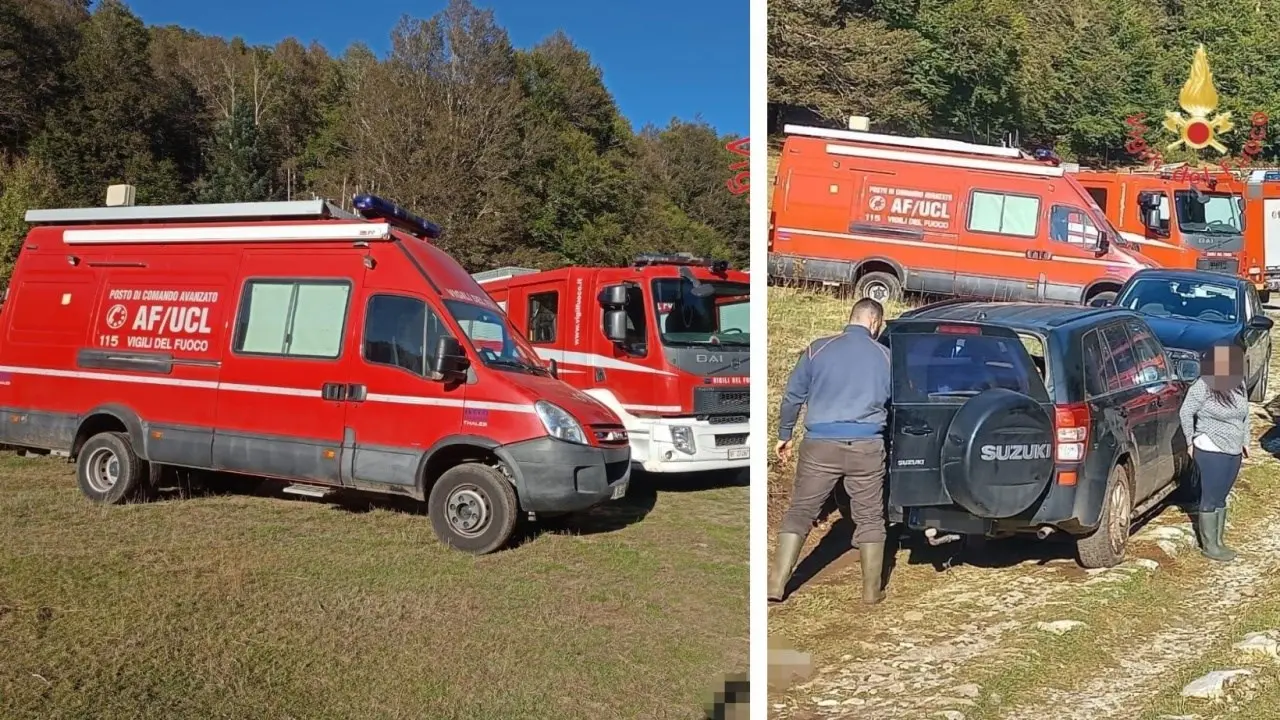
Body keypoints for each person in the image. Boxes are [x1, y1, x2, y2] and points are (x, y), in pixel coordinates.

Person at [768, 297, 892, 604]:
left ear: (852, 318)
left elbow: (792, 397)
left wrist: (785, 435)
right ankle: (871, 592)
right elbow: (895, 402)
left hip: (820, 446)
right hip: (867, 447)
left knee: (800, 512)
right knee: (871, 518)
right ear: (874, 322)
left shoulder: (817, 349)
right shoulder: (887, 357)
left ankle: (776, 585)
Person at [1178, 342, 1252, 562]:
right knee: (1210, 497)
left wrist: (1245, 441)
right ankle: (1210, 546)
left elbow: (1245, 415)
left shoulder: (1238, 384)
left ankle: (1219, 541)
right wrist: (1191, 441)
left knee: (1222, 496)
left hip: (1234, 447)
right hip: (1210, 447)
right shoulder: (1203, 386)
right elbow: (1185, 412)